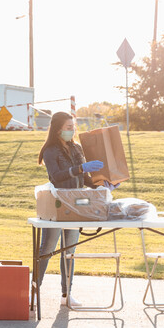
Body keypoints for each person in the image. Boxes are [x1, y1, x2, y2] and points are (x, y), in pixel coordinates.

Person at [36, 111, 114, 306]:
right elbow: (56, 176)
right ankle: (34, 290)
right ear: (58, 129)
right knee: (48, 247)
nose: (72, 131)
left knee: (69, 250)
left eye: (73, 127)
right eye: (68, 128)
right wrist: (80, 169)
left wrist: (102, 185)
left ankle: (66, 294)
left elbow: (86, 178)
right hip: (57, 202)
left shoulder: (77, 148)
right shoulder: (50, 151)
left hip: (76, 201)